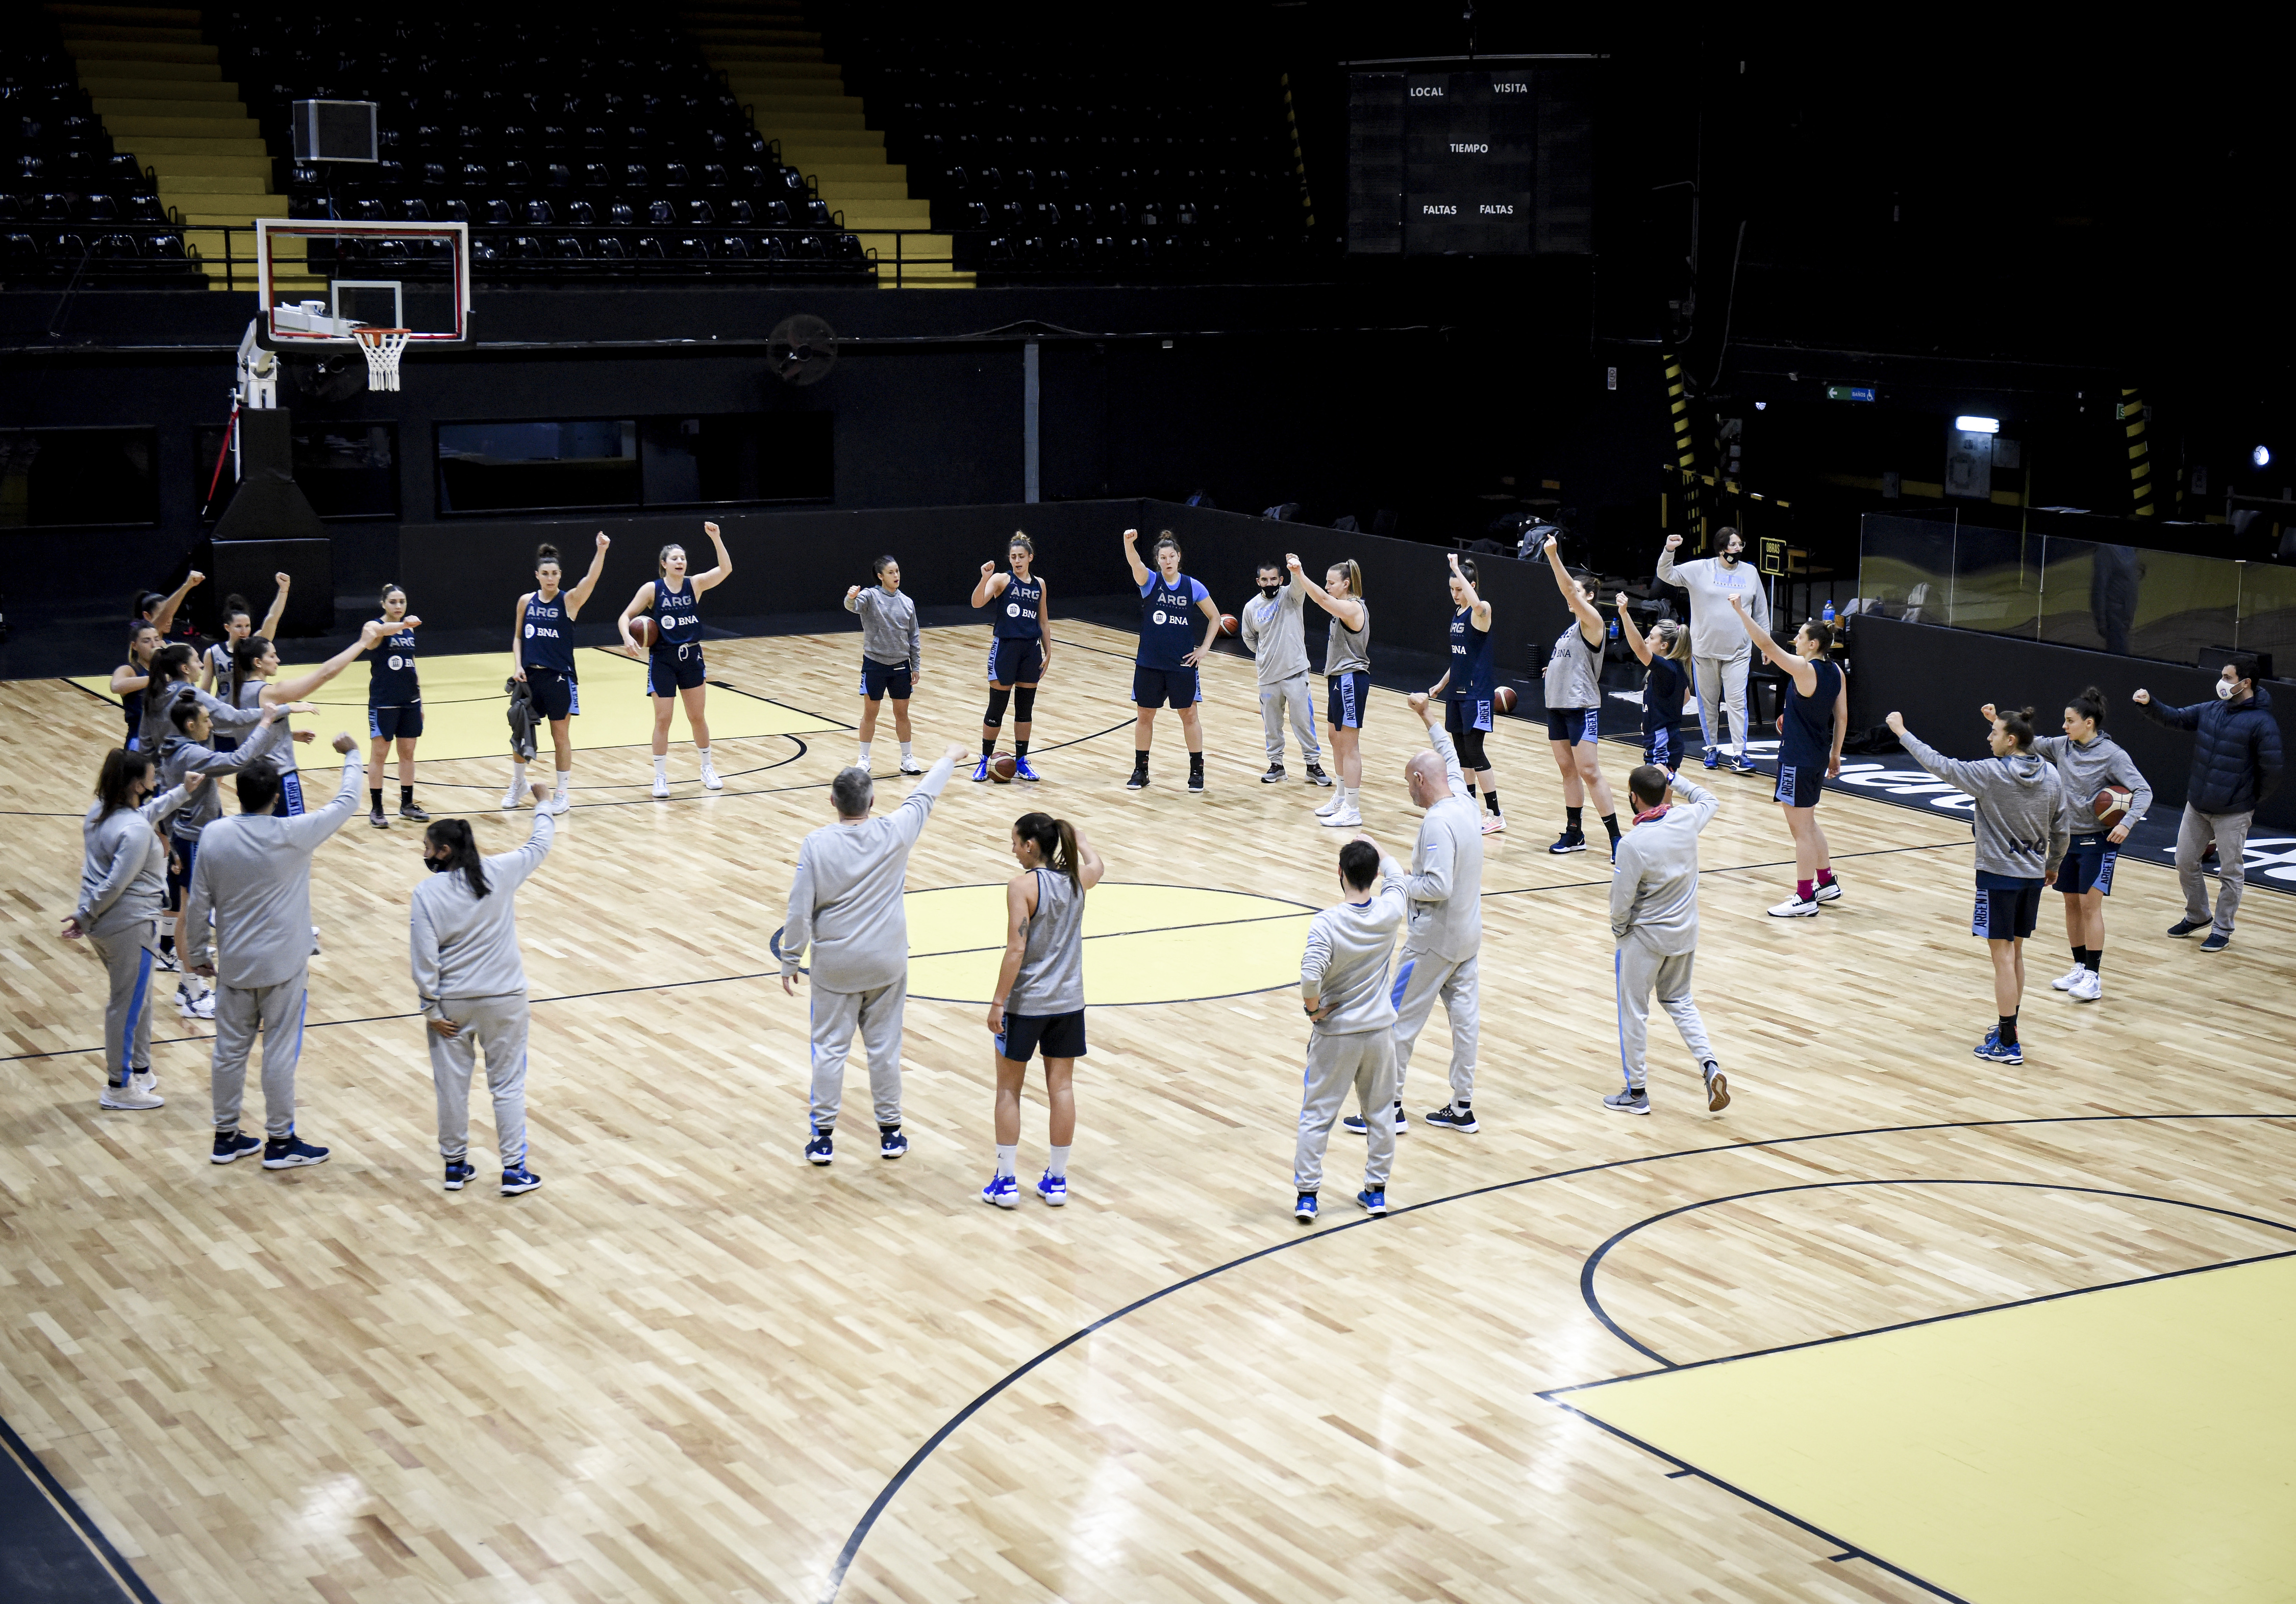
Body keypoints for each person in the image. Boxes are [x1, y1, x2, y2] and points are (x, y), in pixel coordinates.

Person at [182, 729, 367, 1168]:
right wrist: (353, 755)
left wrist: (197, 955)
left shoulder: (214, 835)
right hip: (284, 965)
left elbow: (198, 903)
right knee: (280, 1053)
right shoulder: (293, 833)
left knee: (229, 1050)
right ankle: (280, 1143)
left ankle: (226, 1136)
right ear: (276, 799)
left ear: (239, 794)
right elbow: (347, 803)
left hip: (235, 963)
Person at [780, 742, 965, 1165]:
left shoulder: (816, 844)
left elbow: (798, 908)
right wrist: (950, 758)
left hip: (835, 966)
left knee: (829, 1049)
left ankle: (823, 1138)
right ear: (873, 801)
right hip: (886, 962)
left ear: (832, 802)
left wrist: (792, 958)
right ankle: (891, 1134)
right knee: (884, 1050)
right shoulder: (895, 830)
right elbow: (925, 794)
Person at [1886, 706, 2067, 1064]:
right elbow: (2061, 829)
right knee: (2015, 953)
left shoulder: (1990, 774)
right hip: (2032, 876)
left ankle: (2008, 1042)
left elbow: (1940, 765)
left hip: (1998, 877)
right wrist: (2052, 865)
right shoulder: (2051, 774)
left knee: (2001, 958)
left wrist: (1902, 732)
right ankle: (2008, 1030)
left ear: (2011, 740)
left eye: (1995, 732)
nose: (1989, 737)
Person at [1347, 692, 1486, 1137]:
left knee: (1395, 1020)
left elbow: (1437, 887)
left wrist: (1392, 873)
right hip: (1468, 935)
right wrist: (1428, 717)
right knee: (1465, 1023)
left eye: (1410, 782)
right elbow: (1448, 754)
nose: (1409, 790)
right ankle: (1462, 1106)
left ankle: (1390, 1109)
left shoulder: (1436, 823)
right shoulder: (1466, 803)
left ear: (1423, 781)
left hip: (1433, 941)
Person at [411, 792, 558, 1197]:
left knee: (452, 1087)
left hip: (453, 1006)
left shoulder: (427, 893)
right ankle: (514, 1170)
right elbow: (540, 843)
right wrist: (543, 803)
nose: (423, 853)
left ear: (443, 851)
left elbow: (424, 959)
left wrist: (429, 1008)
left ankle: (455, 1168)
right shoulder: (500, 871)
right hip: (505, 999)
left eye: (427, 847)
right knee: (507, 1085)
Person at [62, 750, 205, 1111]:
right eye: (152, 778)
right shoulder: (137, 832)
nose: (156, 782)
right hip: (130, 926)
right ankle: (118, 1086)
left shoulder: (99, 812)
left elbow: (146, 814)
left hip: (108, 927)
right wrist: (84, 914)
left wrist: (182, 793)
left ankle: (140, 1070)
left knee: (137, 999)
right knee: (125, 1006)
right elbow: (115, 884)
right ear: (136, 784)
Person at [981, 811, 1105, 1208]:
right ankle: (1056, 1180)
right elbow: (1097, 866)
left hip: (1027, 1005)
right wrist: (1082, 841)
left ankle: (1005, 1181)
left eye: (1015, 843)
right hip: (1069, 1003)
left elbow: (1017, 948)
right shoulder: (1077, 882)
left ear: (1031, 845)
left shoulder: (1021, 887)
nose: (1014, 850)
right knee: (1062, 1089)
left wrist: (999, 1001)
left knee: (1008, 1090)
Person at [2002, 688, 2153, 1001]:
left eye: (2070, 721)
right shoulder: (2063, 746)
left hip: (2099, 841)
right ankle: (2080, 967)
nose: (2064, 726)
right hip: (2065, 839)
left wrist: (2126, 823)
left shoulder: (2114, 755)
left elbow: (2144, 791)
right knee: (2071, 903)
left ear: (2089, 723)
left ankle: (2095, 977)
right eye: (2064, 721)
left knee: (2089, 905)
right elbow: (2029, 742)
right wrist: (2001, 724)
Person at [159, 692, 298, 1020]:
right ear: (191, 725)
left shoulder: (179, 747)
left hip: (187, 836)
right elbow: (237, 761)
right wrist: (265, 724)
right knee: (189, 915)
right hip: (194, 840)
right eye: (207, 720)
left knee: (189, 910)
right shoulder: (192, 753)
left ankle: (188, 981)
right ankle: (191, 990)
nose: (212, 724)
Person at [1293, 836, 1408, 1222]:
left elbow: (1311, 978)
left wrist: (1314, 1012)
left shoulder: (1327, 923)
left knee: (1317, 1115)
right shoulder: (1390, 912)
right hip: (1379, 1034)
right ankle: (1376, 1192)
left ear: (1339, 872)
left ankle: (1308, 1196)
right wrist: (1379, 850)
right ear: (1373, 874)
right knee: (1381, 1114)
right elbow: (1398, 877)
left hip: (1336, 1035)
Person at [2137, 655, 2283, 953]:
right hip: (2198, 805)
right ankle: (2198, 915)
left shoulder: (2262, 722)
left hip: (2234, 811)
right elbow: (2175, 717)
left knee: (2231, 872)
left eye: (2228, 678)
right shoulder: (2212, 710)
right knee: (2184, 861)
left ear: (2246, 683)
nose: (2222, 682)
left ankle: (2222, 929)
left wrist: (2249, 800)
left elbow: (2273, 769)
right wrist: (2150, 703)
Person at [1606, 764, 1729, 1116]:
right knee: (1679, 1001)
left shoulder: (1633, 844)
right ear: (1664, 793)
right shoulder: (1687, 819)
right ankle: (1710, 1065)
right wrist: (1674, 777)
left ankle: (1636, 1093)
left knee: (1634, 1011)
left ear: (1633, 797)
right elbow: (1710, 798)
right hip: (1685, 934)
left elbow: (1621, 901)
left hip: (1645, 938)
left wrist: (1620, 932)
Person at [1730, 600, 1846, 916]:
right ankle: (1826, 882)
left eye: (1799, 636)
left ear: (1813, 644)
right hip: (1818, 755)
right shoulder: (1835, 671)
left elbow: (1766, 644)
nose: (1794, 640)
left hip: (1797, 758)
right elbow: (1842, 716)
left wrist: (1742, 613)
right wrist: (1835, 754)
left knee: (1801, 831)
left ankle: (1805, 897)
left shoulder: (1805, 668)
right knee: (1808, 822)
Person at [617, 521, 731, 797]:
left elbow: (725, 570)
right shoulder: (652, 589)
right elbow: (625, 617)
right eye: (675, 558)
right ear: (664, 564)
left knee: (697, 717)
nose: (680, 561)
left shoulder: (696, 585)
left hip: (691, 657)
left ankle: (707, 768)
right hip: (664, 660)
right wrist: (628, 637)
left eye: (683, 558)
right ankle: (660, 777)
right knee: (663, 719)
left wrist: (716, 539)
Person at [229, 623, 383, 816]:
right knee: (293, 838)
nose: (278, 659)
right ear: (258, 663)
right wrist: (361, 644)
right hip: (278, 779)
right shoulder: (269, 693)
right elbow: (325, 674)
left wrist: (287, 735)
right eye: (272, 655)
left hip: (252, 782)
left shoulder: (240, 692)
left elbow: (253, 731)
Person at [507, 535, 611, 813]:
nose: (550, 578)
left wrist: (601, 550)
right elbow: (518, 638)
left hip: (559, 678)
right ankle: (518, 784)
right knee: (521, 730)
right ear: (537, 575)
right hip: (530, 678)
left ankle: (562, 793)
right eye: (545, 574)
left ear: (560, 575)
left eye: (554, 574)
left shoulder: (570, 601)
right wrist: (518, 665)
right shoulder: (525, 602)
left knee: (560, 735)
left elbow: (591, 579)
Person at [1655, 527, 1768, 773]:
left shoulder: (1750, 573)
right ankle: (1712, 749)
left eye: (1741, 545)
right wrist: (1669, 550)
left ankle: (1740, 753)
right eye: (1734, 545)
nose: (1739, 549)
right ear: (1722, 548)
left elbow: (1761, 611)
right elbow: (1666, 574)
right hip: (1704, 650)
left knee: (1737, 702)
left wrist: (1765, 643)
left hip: (1739, 650)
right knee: (1708, 703)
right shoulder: (1700, 569)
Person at [1121, 528, 1222, 792]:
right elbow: (1135, 563)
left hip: (1182, 665)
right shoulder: (1150, 581)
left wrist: (1204, 649)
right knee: (1145, 716)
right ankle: (1140, 771)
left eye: (1172, 556)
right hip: (1150, 663)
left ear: (1179, 558)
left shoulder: (1192, 586)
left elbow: (1216, 617)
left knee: (1189, 715)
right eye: (1163, 557)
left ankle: (1197, 772)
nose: (1167, 561)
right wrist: (1128, 544)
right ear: (1158, 561)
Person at [1534, 537, 1613, 854]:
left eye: (1577, 592)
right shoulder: (1570, 630)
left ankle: (1616, 839)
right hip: (1556, 707)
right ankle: (1575, 833)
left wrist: (1553, 555)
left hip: (1581, 707)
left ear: (1590, 596)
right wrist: (1553, 671)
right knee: (1568, 772)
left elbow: (1567, 590)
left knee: (1590, 772)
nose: (1571, 597)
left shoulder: (1593, 622)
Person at [1429, 552, 1507, 836]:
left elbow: (1479, 605)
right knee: (1462, 754)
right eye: (1452, 589)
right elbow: (1458, 658)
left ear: (1471, 586)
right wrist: (1441, 684)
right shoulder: (1458, 614)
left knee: (1475, 750)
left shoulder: (1481, 610)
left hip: (1478, 695)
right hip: (1458, 695)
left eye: (1460, 589)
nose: (1455, 594)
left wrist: (1454, 568)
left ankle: (1496, 813)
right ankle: (1469, 807)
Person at [1294, 555, 1371, 829]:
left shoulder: (1353, 608)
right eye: (1326, 582)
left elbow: (1323, 601)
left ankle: (1353, 808)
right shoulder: (1344, 607)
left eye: (1331, 582)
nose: (1327, 587)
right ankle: (1340, 797)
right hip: (1338, 678)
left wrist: (1301, 575)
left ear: (1346, 584)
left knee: (1349, 745)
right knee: (1334, 737)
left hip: (1352, 678)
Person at [1239, 556, 1329, 789]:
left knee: (1303, 721)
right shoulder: (1251, 608)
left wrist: (1296, 569)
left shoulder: (1291, 596)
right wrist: (1264, 655)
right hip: (1267, 676)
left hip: (1295, 672)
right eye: (1264, 580)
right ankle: (1276, 765)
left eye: (1273, 579)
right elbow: (1249, 638)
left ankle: (1312, 765)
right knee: (1272, 724)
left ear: (1280, 579)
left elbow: (1299, 584)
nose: (1269, 583)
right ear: (1258, 581)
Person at [971, 532, 1051, 782]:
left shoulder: (1040, 584)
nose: (1017, 561)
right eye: (1013, 557)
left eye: (1021, 557)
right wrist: (984, 579)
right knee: (997, 707)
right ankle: (984, 761)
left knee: (1024, 709)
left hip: (1030, 651)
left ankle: (1022, 761)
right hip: (1005, 649)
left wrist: (1049, 651)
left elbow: (1044, 621)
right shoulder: (1001, 580)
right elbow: (976, 603)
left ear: (1030, 558)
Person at [846, 554, 926, 777]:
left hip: (901, 665)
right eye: (891, 573)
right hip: (875, 664)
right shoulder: (870, 596)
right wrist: (851, 597)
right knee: (870, 712)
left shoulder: (907, 602)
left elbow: (914, 637)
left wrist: (916, 665)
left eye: (898, 572)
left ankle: (907, 758)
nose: (896, 576)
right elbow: (853, 606)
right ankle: (864, 759)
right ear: (881, 576)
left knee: (902, 713)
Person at [366, 582, 429, 828]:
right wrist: (404, 624)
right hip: (384, 702)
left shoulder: (409, 630)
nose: (398, 606)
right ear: (383, 603)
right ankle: (377, 808)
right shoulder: (375, 627)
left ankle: (407, 805)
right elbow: (378, 631)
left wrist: (420, 700)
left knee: (408, 753)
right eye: (393, 602)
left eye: (402, 602)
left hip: (409, 701)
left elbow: (412, 665)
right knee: (379, 754)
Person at [1616, 596, 1690, 775]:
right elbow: (1685, 697)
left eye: (1651, 637)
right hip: (1666, 738)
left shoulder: (1666, 668)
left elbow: (1639, 648)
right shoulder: (1675, 667)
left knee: (1654, 795)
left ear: (1664, 645)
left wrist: (1624, 614)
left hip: (1662, 742)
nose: (1646, 640)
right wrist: (1656, 718)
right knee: (1663, 799)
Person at [199, 575, 291, 716]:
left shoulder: (255, 646)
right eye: (239, 626)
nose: (244, 631)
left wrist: (283, 591)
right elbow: (205, 690)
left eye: (247, 626)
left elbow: (273, 618)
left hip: (252, 714)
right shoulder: (213, 653)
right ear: (227, 627)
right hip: (226, 717)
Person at [108, 623, 161, 750]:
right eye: (146, 641)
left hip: (164, 740)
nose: (154, 645)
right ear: (135, 646)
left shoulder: (166, 669)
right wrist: (155, 679)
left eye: (157, 639)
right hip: (139, 741)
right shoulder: (130, 670)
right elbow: (115, 686)